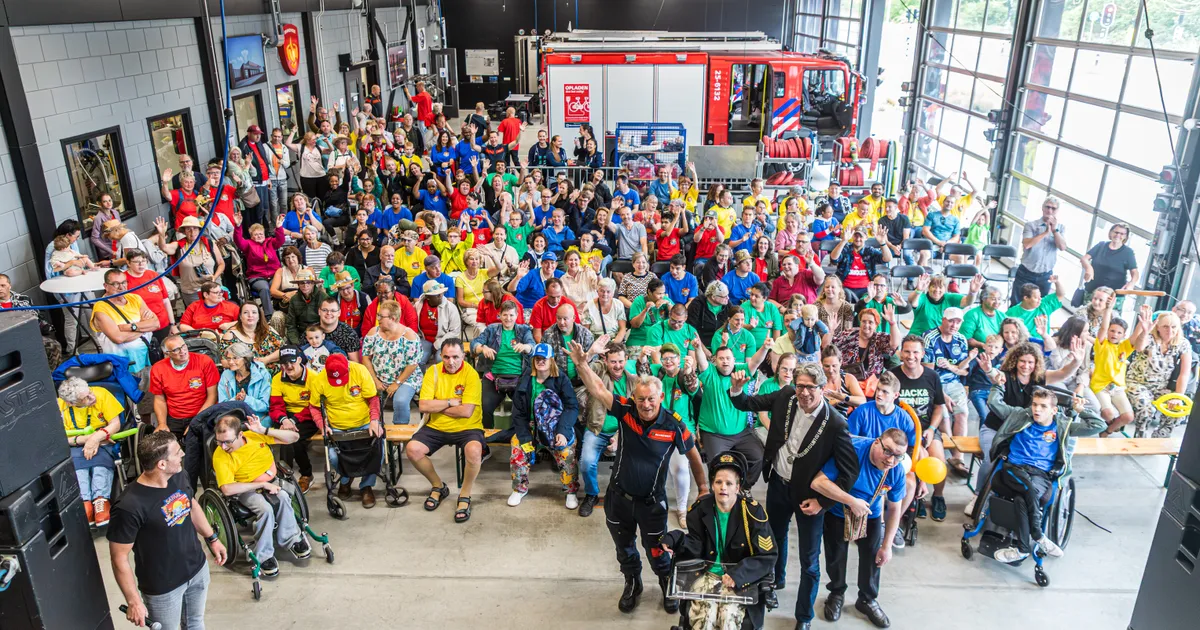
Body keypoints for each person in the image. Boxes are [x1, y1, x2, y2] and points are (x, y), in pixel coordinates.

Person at [568, 338, 709, 615]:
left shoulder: (674, 425)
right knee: (625, 550)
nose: (645, 404)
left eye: (651, 400)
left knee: (658, 552)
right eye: (641, 399)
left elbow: (693, 455)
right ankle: (633, 582)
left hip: (652, 504)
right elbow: (597, 388)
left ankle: (666, 581)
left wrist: (703, 488)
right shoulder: (626, 412)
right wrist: (582, 363)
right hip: (619, 500)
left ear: (660, 399)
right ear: (634, 398)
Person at [728, 360, 858, 627]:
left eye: (811, 387)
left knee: (810, 562)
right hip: (778, 484)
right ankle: (776, 579)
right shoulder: (786, 396)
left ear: (823, 388)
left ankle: (804, 617)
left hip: (809, 498)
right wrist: (737, 389)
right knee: (774, 539)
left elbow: (849, 473)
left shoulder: (835, 424)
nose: (804, 393)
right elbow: (747, 404)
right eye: (800, 386)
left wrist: (822, 501)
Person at [108, 432, 226, 630]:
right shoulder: (129, 506)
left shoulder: (179, 475)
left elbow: (191, 504)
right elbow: (119, 558)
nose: (182, 455)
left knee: (195, 623)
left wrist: (212, 538)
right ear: (161, 464)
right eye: (178, 452)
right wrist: (134, 601)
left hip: (196, 568)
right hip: (163, 587)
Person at [658, 451, 777, 630]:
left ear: (737, 487)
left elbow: (768, 555)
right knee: (704, 619)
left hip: (738, 579)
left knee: (728, 618)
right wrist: (675, 538)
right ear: (712, 485)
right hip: (706, 575)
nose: (723, 488)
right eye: (718, 482)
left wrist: (738, 575)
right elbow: (696, 545)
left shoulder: (753, 513)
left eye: (729, 483)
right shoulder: (700, 510)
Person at [986, 387, 1104, 563]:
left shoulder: (1062, 425)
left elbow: (1099, 426)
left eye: (1042, 406)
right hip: (1014, 467)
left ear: (1054, 410)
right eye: (1034, 404)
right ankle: (1039, 535)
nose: (1036, 409)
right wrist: (997, 386)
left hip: (1040, 474)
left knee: (1021, 499)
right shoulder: (1020, 415)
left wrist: (1081, 410)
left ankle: (1023, 549)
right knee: (1027, 488)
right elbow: (994, 403)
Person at [811, 428, 909, 629]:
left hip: (871, 514)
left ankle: (867, 599)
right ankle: (836, 592)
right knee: (836, 555)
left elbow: (894, 508)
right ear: (876, 443)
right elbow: (818, 482)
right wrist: (851, 501)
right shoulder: (852, 451)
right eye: (888, 451)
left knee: (873, 557)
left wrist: (887, 545)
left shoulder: (896, 471)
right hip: (837, 510)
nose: (891, 460)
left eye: (898, 456)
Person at [210, 413, 309, 578]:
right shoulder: (221, 456)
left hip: (271, 479)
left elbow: (294, 437)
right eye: (219, 441)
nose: (223, 446)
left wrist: (264, 429)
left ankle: (291, 539)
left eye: (228, 441)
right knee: (265, 510)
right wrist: (262, 484)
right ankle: (263, 555)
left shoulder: (254, 436)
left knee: (284, 497)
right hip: (245, 488)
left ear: (240, 435)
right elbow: (227, 489)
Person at [408, 339, 486, 523]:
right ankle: (438, 487)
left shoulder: (471, 375)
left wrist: (438, 405)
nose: (451, 362)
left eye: (455, 357)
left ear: (463, 356)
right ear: (440, 356)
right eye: (446, 357)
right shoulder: (433, 372)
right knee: (413, 449)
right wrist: (450, 402)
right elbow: (423, 406)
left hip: (468, 427)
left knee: (474, 451)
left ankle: (465, 494)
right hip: (436, 426)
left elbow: (466, 412)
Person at [506, 343, 580, 508]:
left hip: (555, 426)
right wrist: (525, 437)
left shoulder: (561, 379)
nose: (540, 362)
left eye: (544, 358)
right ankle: (520, 488)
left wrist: (563, 431)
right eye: (537, 358)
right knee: (518, 448)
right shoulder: (526, 379)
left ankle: (570, 491)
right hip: (530, 426)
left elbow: (572, 406)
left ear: (551, 360)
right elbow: (517, 411)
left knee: (566, 452)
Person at [307, 353, 383, 508]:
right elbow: (314, 406)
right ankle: (346, 478)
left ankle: (366, 486)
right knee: (334, 457)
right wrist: (323, 426)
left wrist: (374, 420)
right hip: (336, 426)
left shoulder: (360, 371)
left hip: (363, 422)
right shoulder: (319, 380)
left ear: (348, 367)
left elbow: (373, 398)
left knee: (376, 450)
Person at [890, 336, 950, 522]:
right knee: (911, 463)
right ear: (901, 353)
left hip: (926, 429)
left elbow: (939, 406)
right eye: (907, 351)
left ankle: (938, 496)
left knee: (938, 460)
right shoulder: (893, 376)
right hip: (901, 432)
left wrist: (932, 428)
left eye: (916, 352)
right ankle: (916, 497)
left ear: (922, 354)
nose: (911, 356)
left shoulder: (932, 376)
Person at [58, 376, 123, 527]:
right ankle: (85, 502)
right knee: (78, 468)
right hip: (76, 444)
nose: (91, 397)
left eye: (89, 392)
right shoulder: (60, 405)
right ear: (71, 403)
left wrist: (95, 439)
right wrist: (84, 440)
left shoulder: (101, 394)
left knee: (99, 465)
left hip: (104, 440)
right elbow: (60, 437)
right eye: (85, 398)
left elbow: (115, 424)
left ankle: (101, 500)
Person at [921, 307, 975, 478]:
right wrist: (942, 396)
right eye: (951, 320)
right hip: (934, 383)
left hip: (954, 382)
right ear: (943, 319)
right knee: (943, 415)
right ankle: (946, 451)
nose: (954, 325)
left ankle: (957, 458)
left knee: (962, 413)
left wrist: (957, 367)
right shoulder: (929, 337)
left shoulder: (961, 339)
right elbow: (928, 371)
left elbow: (962, 370)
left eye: (958, 322)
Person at [1127, 308, 1193, 438]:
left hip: (1160, 387)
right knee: (1146, 409)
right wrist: (1145, 331)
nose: (1170, 331)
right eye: (1165, 327)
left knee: (1178, 410)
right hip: (1137, 383)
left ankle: (1160, 438)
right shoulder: (1150, 338)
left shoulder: (1183, 343)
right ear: (1157, 328)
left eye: (1174, 327)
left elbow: (1184, 373)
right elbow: (1138, 347)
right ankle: (1140, 438)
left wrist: (1178, 397)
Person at [361, 299, 424, 422]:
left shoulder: (409, 336)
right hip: (379, 378)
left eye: (381, 316)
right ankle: (377, 432)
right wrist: (375, 380)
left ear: (393, 318)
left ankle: (399, 436)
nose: (378, 318)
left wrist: (397, 383)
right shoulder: (373, 332)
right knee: (366, 398)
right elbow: (366, 358)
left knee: (400, 401)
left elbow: (412, 365)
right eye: (378, 315)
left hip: (406, 378)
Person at [149, 334, 219, 441]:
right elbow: (159, 399)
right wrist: (162, 423)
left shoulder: (204, 361)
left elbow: (212, 396)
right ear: (167, 353)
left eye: (183, 346)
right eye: (176, 350)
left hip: (202, 413)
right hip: (174, 418)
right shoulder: (158, 368)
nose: (182, 351)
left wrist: (196, 421)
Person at [90, 269, 159, 373]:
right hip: (125, 367)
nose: (121, 287)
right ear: (106, 286)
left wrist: (129, 327)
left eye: (123, 282)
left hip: (147, 359)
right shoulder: (100, 308)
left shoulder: (135, 298)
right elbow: (118, 338)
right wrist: (144, 328)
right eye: (115, 284)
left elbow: (156, 324)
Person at [269, 347, 319, 492]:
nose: (288, 367)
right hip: (286, 416)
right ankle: (287, 476)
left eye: (291, 362)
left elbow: (314, 406)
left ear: (299, 360)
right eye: (284, 363)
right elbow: (275, 405)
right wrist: (284, 419)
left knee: (293, 439)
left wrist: (294, 421)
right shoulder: (277, 378)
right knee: (286, 438)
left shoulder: (314, 378)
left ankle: (305, 474)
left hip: (309, 416)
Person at [1011, 196, 1066, 305]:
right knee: (1017, 303)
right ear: (1042, 208)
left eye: (1053, 208)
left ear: (1057, 211)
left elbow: (1062, 247)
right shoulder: (1031, 225)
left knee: (1039, 305)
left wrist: (1054, 231)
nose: (1050, 211)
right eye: (1047, 207)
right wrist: (1045, 232)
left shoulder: (1060, 228)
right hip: (1026, 273)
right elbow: (1027, 244)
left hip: (1045, 275)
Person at [832, 307, 901, 381]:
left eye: (870, 322)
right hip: (849, 380)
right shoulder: (848, 335)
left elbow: (894, 344)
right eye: (864, 321)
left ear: (876, 325)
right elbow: (830, 345)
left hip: (871, 383)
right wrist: (831, 331)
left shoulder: (879, 338)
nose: (866, 325)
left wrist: (892, 323)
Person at [908, 273, 980, 337]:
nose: (937, 290)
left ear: (945, 288)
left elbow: (967, 301)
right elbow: (912, 301)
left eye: (940, 287)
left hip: (940, 340)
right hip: (919, 338)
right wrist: (918, 290)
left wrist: (973, 292)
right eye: (934, 286)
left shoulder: (950, 298)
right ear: (928, 287)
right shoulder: (922, 298)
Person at [831, 227, 892, 299]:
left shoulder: (869, 251)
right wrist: (843, 241)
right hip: (845, 287)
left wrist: (882, 243)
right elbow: (834, 259)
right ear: (852, 237)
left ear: (866, 237)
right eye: (856, 236)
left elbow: (887, 259)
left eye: (861, 236)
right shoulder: (846, 249)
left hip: (866, 289)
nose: (858, 239)